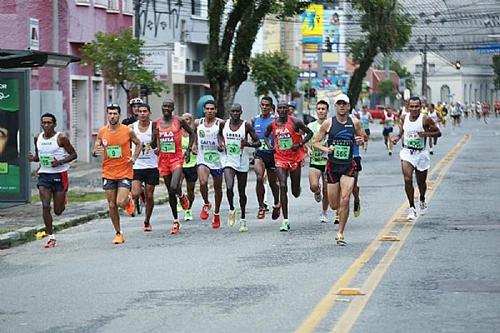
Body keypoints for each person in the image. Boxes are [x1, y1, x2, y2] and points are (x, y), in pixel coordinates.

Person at [313, 94, 366, 245]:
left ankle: (340, 233)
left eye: (344, 104)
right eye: (339, 104)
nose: (342, 106)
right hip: (333, 166)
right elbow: (315, 142)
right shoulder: (328, 124)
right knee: (334, 204)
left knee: (345, 199)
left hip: (348, 165)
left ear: (349, 106)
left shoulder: (354, 122)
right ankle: (339, 212)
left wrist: (360, 140)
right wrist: (326, 149)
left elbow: (363, 138)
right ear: (335, 107)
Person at [92, 104, 142, 244]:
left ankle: (128, 200)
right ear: (107, 115)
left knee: (120, 202)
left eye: (115, 113)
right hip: (108, 172)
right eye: (110, 113)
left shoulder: (127, 130)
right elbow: (96, 147)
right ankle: (118, 233)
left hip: (125, 171)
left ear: (119, 115)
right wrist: (95, 152)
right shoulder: (102, 132)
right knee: (112, 204)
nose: (112, 116)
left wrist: (134, 158)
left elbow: (139, 144)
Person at [28, 113, 77, 248]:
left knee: (58, 211)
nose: (46, 125)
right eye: (44, 122)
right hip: (44, 175)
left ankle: (62, 198)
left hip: (59, 175)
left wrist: (59, 162)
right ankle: (51, 237)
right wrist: (34, 159)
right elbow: (39, 157)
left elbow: (74, 154)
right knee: (45, 206)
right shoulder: (37, 138)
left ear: (54, 124)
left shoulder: (61, 138)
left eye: (49, 123)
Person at [264, 101, 313, 232]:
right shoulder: (273, 124)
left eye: (285, 108)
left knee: (295, 191)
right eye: (280, 108)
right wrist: (270, 146)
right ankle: (285, 220)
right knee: (283, 185)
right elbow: (265, 136)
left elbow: (310, 133)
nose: (282, 110)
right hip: (280, 158)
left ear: (288, 110)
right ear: (277, 110)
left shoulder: (295, 122)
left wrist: (300, 144)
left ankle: (297, 189)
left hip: (295, 158)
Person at [391, 96, 441, 221]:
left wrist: (426, 134)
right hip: (407, 152)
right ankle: (412, 208)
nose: (414, 109)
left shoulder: (425, 119)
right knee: (407, 178)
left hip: (421, 154)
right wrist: (397, 137)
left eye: (416, 106)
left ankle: (422, 199)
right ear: (408, 107)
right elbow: (402, 131)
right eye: (411, 106)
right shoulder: (404, 117)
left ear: (420, 107)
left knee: (421, 183)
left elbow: (438, 132)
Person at [152, 99, 194, 234]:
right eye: (165, 106)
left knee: (174, 187)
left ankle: (181, 195)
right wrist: (154, 141)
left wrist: (188, 150)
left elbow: (192, 133)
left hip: (176, 158)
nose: (167, 108)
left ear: (173, 108)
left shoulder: (179, 121)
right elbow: (153, 145)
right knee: (170, 192)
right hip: (163, 160)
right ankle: (176, 221)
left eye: (169, 106)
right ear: (162, 107)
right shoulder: (156, 123)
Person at [220, 104, 261, 232]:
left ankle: (243, 219)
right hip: (228, 160)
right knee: (229, 187)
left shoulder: (246, 126)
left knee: (241, 192)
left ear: (241, 112)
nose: (235, 113)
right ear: (230, 112)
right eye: (233, 111)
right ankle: (232, 209)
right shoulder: (224, 124)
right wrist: (221, 144)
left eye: (237, 111)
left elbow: (258, 142)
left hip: (242, 161)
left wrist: (247, 143)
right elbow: (219, 135)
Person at [194, 100, 225, 228]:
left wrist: (222, 145)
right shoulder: (198, 122)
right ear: (204, 110)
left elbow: (224, 137)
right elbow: (194, 135)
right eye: (207, 109)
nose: (209, 111)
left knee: (217, 188)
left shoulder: (220, 123)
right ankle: (206, 203)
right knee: (202, 182)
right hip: (203, 158)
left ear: (216, 110)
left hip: (217, 159)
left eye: (212, 109)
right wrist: (194, 145)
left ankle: (216, 213)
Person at [129, 103, 158, 232]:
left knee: (150, 196)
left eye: (145, 111)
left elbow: (159, 144)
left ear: (149, 113)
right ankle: (137, 195)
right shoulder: (131, 128)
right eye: (140, 111)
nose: (142, 113)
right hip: (137, 165)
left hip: (152, 165)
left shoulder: (154, 127)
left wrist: (158, 148)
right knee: (135, 193)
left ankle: (147, 220)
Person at [252, 96, 280, 220]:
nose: (264, 107)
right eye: (262, 105)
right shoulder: (254, 120)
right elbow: (251, 135)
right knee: (259, 177)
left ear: (271, 107)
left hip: (273, 155)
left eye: (267, 105)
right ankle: (261, 206)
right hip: (260, 154)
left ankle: (276, 203)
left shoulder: (276, 120)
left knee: (273, 183)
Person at [307, 100, 330, 223]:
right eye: (319, 109)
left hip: (327, 161)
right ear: (316, 111)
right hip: (315, 160)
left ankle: (324, 212)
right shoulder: (311, 126)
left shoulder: (331, 125)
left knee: (327, 189)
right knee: (313, 185)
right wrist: (308, 148)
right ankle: (317, 191)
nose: (321, 111)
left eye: (323, 109)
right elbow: (304, 138)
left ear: (327, 111)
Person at [179, 112, 198, 222]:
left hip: (191, 164)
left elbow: (198, 146)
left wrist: (194, 149)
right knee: (177, 184)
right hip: (179, 164)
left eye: (188, 119)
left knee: (190, 190)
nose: (186, 121)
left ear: (191, 121)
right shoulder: (177, 133)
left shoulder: (193, 134)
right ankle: (181, 198)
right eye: (184, 119)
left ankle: (188, 209)